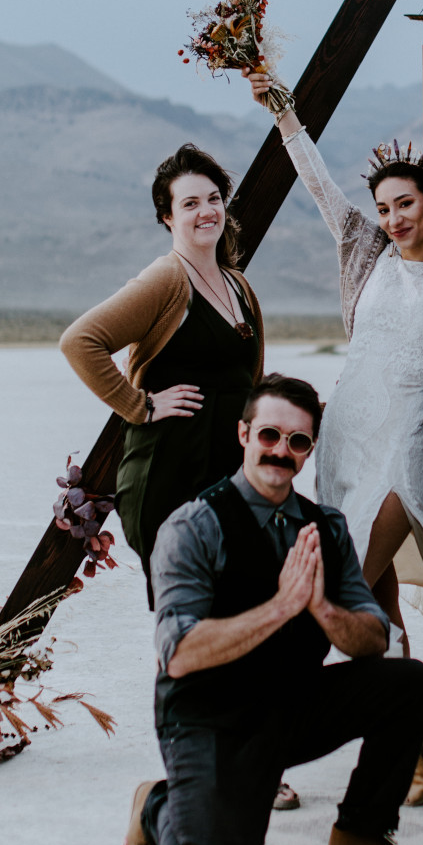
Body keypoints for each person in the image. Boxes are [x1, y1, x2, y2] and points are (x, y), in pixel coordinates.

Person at [246, 68, 423, 802]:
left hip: (399, 443)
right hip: (344, 432)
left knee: (337, 590)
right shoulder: (370, 253)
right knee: (375, 605)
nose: (392, 218)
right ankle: (417, 743)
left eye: (406, 204)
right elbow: (322, 189)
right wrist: (285, 115)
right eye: (384, 206)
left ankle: (263, 752)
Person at [118, 375, 423, 845]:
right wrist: (281, 608)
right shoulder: (193, 526)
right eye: (269, 434)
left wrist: (321, 608)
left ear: (310, 450)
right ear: (243, 434)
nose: (281, 451)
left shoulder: (325, 529)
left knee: (408, 683)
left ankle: (359, 838)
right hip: (208, 717)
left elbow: (373, 639)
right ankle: (156, 805)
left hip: (289, 706)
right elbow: (179, 654)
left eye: (298, 441)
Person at [60, 142, 264, 610]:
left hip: (231, 483)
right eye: (190, 203)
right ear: (168, 217)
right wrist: (142, 406)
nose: (206, 211)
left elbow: (249, 381)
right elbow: (79, 341)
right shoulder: (167, 279)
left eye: (213, 198)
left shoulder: (239, 285)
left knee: (242, 621)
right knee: (194, 625)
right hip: (170, 480)